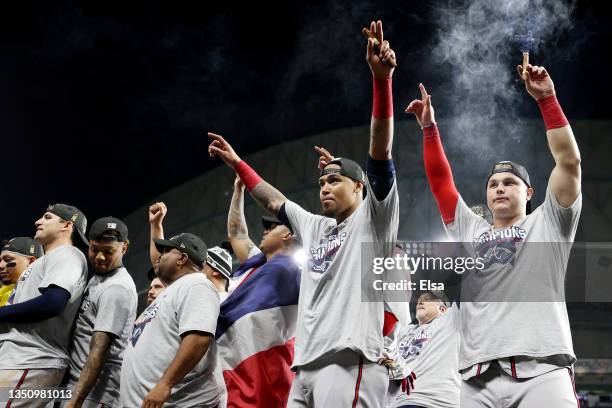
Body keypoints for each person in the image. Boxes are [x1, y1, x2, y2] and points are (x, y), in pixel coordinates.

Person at [209, 20, 409, 407]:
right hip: (306, 367)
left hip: (351, 361)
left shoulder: (374, 220)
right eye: (321, 183)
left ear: (359, 187)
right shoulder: (316, 227)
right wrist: (238, 164)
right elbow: (273, 201)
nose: (325, 187)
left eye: (335, 180)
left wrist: (381, 81)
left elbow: (380, 152)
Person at [405, 61, 581, 406]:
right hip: (476, 379)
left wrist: (547, 100)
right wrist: (429, 129)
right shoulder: (472, 230)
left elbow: (569, 163)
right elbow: (442, 184)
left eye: (510, 183)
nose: (500, 189)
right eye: (493, 184)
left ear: (529, 193)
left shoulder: (548, 222)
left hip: (543, 370)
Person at [216, 176, 300, 407]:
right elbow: (237, 233)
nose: (265, 230)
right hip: (228, 366)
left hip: (263, 373)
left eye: (272, 226)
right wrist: (238, 190)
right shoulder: (256, 262)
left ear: (288, 235)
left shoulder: (296, 270)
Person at [0, 204, 89, 407]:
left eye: (47, 217)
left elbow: (53, 302)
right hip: (22, 359)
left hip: (33, 359)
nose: (38, 221)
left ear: (67, 226)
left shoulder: (68, 254)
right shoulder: (49, 259)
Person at [120, 233, 221, 408]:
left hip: (181, 403)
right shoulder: (173, 291)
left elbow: (199, 337)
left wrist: (165, 383)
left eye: (166, 251)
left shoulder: (197, 285)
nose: (160, 256)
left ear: (182, 258)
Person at [63, 217, 138, 408]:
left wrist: (75, 401)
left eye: (108, 251)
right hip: (80, 387)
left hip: (95, 395)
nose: (100, 257)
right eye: (94, 249)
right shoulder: (100, 277)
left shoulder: (117, 288)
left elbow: (99, 349)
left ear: (124, 248)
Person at [386, 291, 460, 408]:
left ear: (443, 309)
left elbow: (469, 289)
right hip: (399, 403)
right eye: (420, 299)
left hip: (438, 402)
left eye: (428, 299)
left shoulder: (450, 320)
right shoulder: (404, 331)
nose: (420, 301)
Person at [0, 237, 44, 306]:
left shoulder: (46, 291)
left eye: (8, 259)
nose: (1, 265)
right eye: (0, 261)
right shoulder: (5, 292)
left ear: (31, 262)